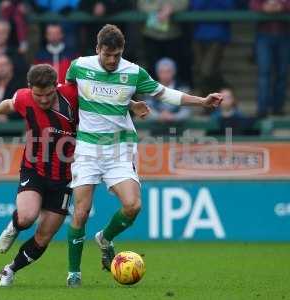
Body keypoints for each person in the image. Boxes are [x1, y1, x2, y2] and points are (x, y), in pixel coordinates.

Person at [65, 24, 222, 287]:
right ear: (97, 49)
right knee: (80, 212)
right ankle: (74, 274)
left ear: (122, 51)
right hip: (88, 149)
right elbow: (70, 95)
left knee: (133, 205)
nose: (112, 60)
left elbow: (166, 94)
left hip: (120, 150)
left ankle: (104, 238)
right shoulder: (79, 66)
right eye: (107, 55)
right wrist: (129, 103)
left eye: (117, 55)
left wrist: (202, 101)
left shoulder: (133, 72)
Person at [0, 64, 149, 287]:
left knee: (44, 236)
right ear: (30, 89)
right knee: (27, 217)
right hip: (35, 169)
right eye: (38, 95)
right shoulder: (23, 97)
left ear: (55, 87)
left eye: (48, 94)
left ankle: (9, 269)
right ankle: (15, 226)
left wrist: (133, 104)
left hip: (67, 176)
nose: (43, 100)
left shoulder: (72, 94)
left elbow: (104, 99)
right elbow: (10, 104)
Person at [250, 0, 290, 118]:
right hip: (264, 35)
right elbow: (253, 4)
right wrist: (264, 6)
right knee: (264, 72)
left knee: (282, 73)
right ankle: (262, 108)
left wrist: (281, 6)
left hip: (284, 35)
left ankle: (278, 107)